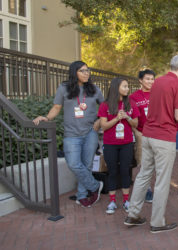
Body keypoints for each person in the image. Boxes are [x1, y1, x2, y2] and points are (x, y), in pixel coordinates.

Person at [124, 54, 178, 233]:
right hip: (164, 137)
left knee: (143, 174)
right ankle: (157, 222)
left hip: (147, 134)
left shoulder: (158, 82)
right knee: (162, 180)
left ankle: (133, 214)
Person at [33, 61, 104, 207]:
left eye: (87, 70)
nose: (86, 73)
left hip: (90, 132)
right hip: (71, 134)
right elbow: (57, 107)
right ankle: (95, 186)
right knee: (73, 164)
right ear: (74, 73)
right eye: (82, 71)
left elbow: (105, 107)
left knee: (87, 164)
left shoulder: (94, 89)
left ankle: (82, 195)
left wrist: (99, 121)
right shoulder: (64, 88)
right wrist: (46, 118)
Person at [98, 78, 140, 214]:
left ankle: (126, 201)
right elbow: (103, 126)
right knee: (112, 172)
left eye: (128, 86)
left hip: (126, 143)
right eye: (125, 86)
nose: (127, 89)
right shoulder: (105, 105)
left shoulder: (131, 103)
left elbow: (135, 124)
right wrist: (116, 118)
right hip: (110, 144)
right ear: (116, 88)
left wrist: (127, 117)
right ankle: (112, 202)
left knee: (125, 171)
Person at [130, 69, 156, 203]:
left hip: (157, 133)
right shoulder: (134, 97)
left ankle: (155, 186)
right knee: (143, 162)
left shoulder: (159, 94)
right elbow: (132, 117)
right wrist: (137, 133)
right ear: (140, 80)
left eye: (152, 79)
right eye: (147, 79)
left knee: (156, 163)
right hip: (141, 133)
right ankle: (146, 189)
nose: (150, 81)